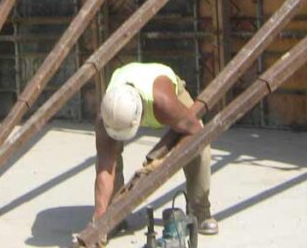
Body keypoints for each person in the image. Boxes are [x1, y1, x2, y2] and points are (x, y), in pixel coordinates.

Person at [93, 62, 218, 242]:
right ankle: (111, 217)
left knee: (200, 146)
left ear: (140, 116)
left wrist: (168, 158)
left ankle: (200, 210)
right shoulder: (107, 115)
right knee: (107, 155)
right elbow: (105, 169)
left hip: (163, 89)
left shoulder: (164, 103)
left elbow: (195, 131)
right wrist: (99, 220)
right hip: (127, 90)